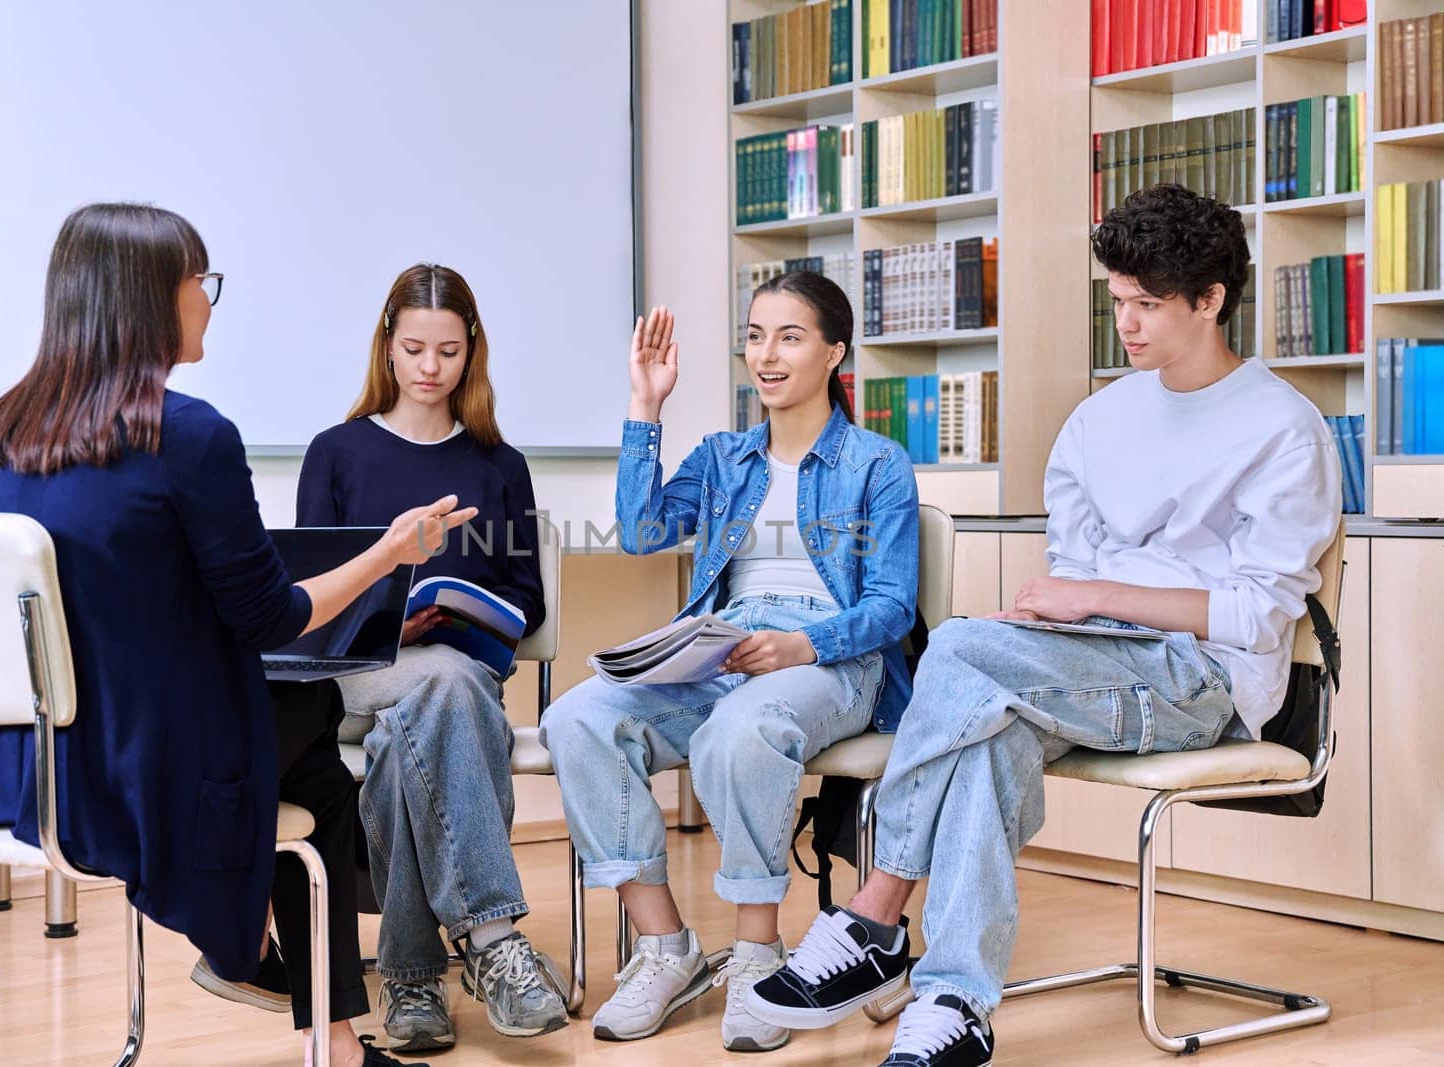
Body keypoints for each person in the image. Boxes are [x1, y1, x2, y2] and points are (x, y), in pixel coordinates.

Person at [746, 185, 1342, 1067]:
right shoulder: (1099, 421)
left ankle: (874, 912)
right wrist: (1076, 601)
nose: (1127, 324)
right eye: (1117, 301)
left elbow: (1256, 612)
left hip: (1202, 680)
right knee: (985, 739)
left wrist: (1094, 594)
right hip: (1086, 665)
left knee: (956, 649)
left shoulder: (1284, 430)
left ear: (1210, 299)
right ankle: (954, 1004)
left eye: (1148, 304)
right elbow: (1075, 574)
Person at [0, 202, 473, 1067]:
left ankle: (257, 955)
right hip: (141, 772)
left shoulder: (1, 436)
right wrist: (390, 551)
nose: (209, 301)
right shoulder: (187, 434)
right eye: (202, 281)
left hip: (26, 765)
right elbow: (274, 615)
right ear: (154, 295)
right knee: (315, 729)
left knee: (304, 759)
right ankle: (305, 1011)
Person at [540, 271, 921, 1052]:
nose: (766, 354)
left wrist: (800, 645)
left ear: (834, 351)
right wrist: (646, 404)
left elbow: (892, 606)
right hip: (724, 644)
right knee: (575, 717)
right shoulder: (723, 457)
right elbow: (643, 532)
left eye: (789, 336)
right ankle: (664, 947)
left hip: (833, 655)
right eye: (754, 335)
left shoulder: (877, 464)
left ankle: (756, 954)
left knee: (740, 728)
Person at [296, 263, 564, 1051]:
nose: (428, 367)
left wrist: (461, 609)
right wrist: (390, 584)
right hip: (358, 674)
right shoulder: (336, 452)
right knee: (443, 687)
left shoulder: (497, 463)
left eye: (447, 351)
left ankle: (412, 979)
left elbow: (530, 603)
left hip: (457, 678)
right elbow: (312, 600)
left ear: (470, 352)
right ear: (387, 345)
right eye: (413, 348)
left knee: (419, 721)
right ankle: (492, 939)